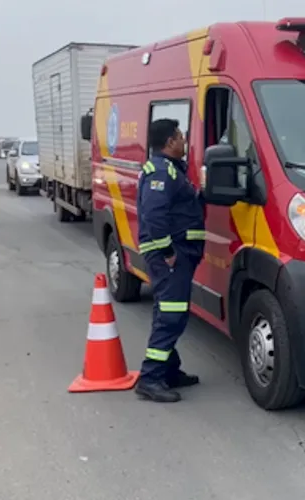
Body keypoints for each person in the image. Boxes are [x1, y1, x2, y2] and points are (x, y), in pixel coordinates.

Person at [134, 118, 206, 403]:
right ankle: (150, 378)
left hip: (179, 254)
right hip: (170, 256)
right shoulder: (162, 173)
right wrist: (168, 252)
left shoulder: (174, 171)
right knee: (170, 316)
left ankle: (169, 371)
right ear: (169, 142)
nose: (183, 140)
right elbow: (154, 217)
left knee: (170, 313)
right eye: (179, 136)